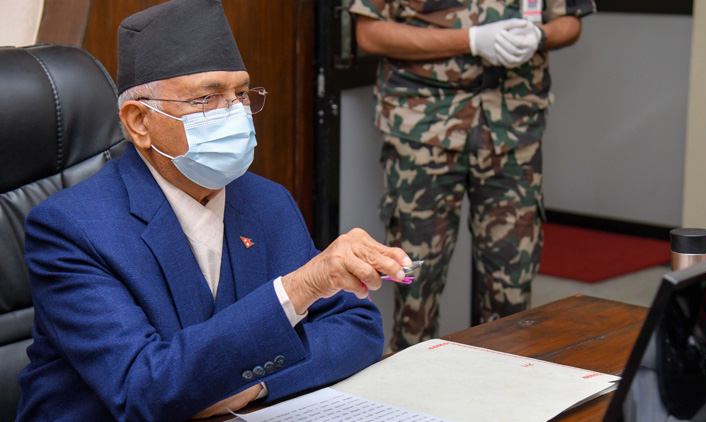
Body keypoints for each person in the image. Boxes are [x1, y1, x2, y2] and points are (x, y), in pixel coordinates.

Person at [15, 1, 410, 420]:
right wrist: (299, 288)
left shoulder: (267, 201)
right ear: (139, 122)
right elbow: (144, 388)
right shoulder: (72, 228)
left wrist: (254, 384)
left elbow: (357, 327)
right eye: (207, 98)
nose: (236, 113)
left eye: (241, 94)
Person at [349, 0, 595, 351]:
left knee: (512, 294)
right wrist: (471, 40)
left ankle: (505, 380)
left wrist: (538, 36)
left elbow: (569, 21)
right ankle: (410, 378)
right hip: (423, 127)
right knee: (415, 290)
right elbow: (369, 33)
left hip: (513, 128)